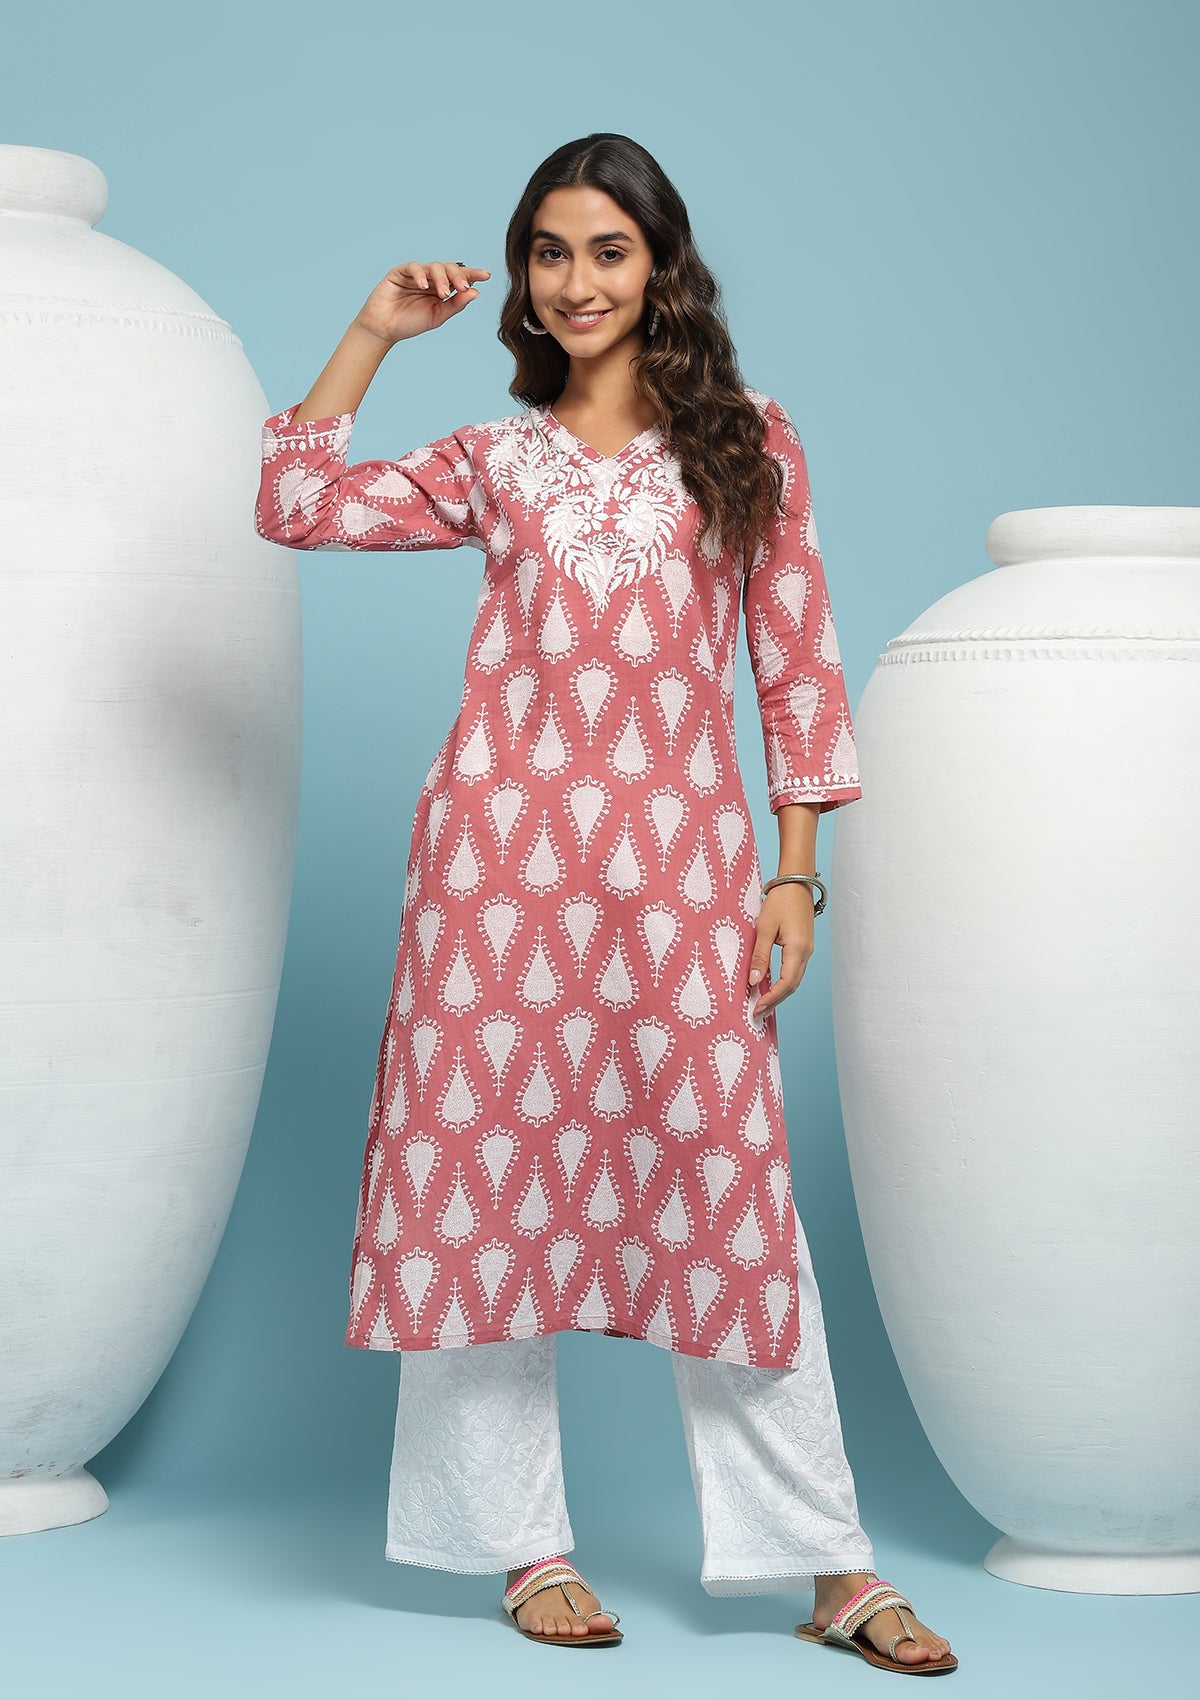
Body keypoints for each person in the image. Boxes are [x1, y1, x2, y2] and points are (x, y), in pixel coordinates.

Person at [254, 132, 957, 1676]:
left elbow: (796, 663)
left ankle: (829, 1564)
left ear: (661, 268)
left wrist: (794, 874)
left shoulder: (748, 445)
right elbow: (295, 505)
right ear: (524, 274)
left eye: (609, 251)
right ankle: (523, 1546)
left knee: (732, 1199)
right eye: (551, 252)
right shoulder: (494, 460)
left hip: (680, 880)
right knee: (484, 1186)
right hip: (493, 880)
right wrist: (373, 330)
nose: (577, 281)